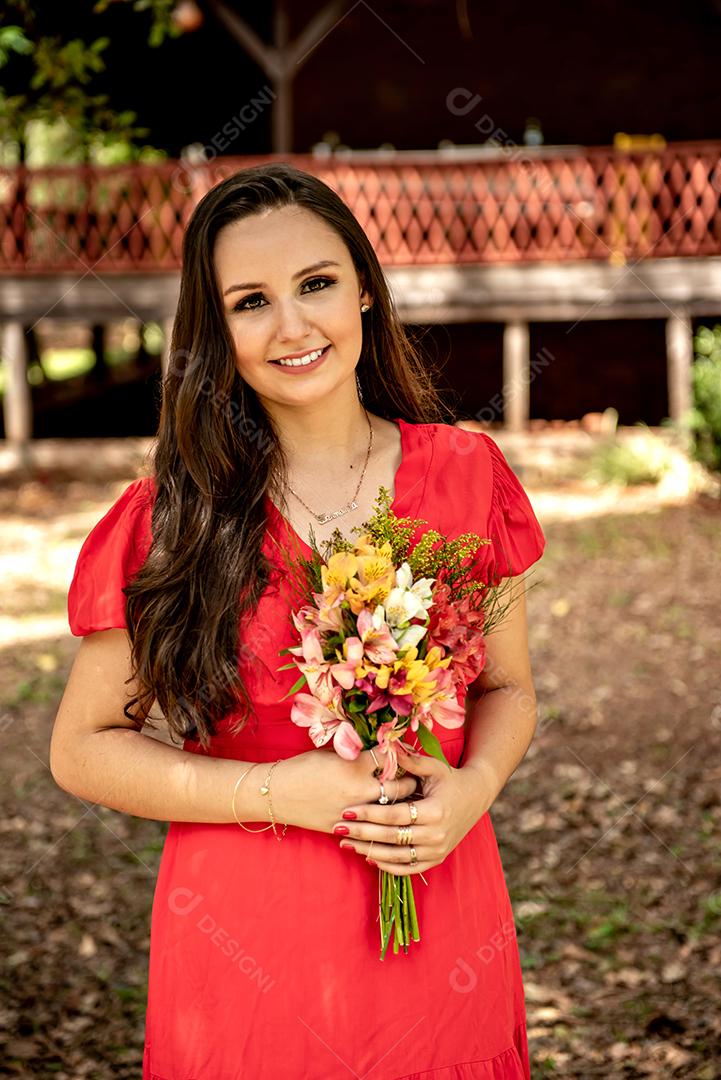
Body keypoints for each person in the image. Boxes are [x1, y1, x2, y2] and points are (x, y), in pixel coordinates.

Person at [50, 163, 546, 1079]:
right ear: (216, 332)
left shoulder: (468, 476)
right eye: (250, 301)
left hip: (439, 897)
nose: (291, 326)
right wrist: (278, 793)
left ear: (363, 287)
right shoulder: (174, 518)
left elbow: (508, 686)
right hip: (246, 932)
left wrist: (472, 791)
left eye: (315, 283)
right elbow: (81, 748)